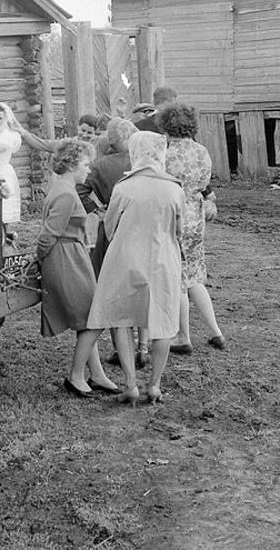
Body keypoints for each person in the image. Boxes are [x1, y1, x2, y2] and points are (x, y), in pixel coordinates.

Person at [83, 132, 184, 406]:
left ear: (136, 153)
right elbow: (179, 229)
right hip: (163, 258)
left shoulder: (124, 187)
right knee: (163, 322)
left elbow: (109, 224)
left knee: (122, 317)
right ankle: (154, 384)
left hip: (126, 257)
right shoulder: (174, 188)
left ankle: (130, 384)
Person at [37, 138, 119, 398]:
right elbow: (47, 236)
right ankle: (75, 375)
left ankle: (97, 374)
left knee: (89, 317)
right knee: (94, 319)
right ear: (72, 164)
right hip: (64, 258)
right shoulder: (64, 193)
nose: (89, 169)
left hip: (73, 255)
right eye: (85, 164)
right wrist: (40, 261)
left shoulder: (64, 188)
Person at [77, 118, 150, 368]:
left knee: (112, 287)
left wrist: (97, 208)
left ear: (111, 140)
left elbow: (79, 189)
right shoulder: (146, 164)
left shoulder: (99, 166)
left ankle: (121, 349)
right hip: (142, 230)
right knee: (142, 286)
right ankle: (143, 346)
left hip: (113, 230)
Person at [159, 103, 225, 353]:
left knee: (177, 277)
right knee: (194, 275)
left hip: (174, 213)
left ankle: (182, 336)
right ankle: (216, 332)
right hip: (195, 215)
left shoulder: (165, 152)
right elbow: (205, 183)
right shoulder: (201, 150)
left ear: (166, 125)